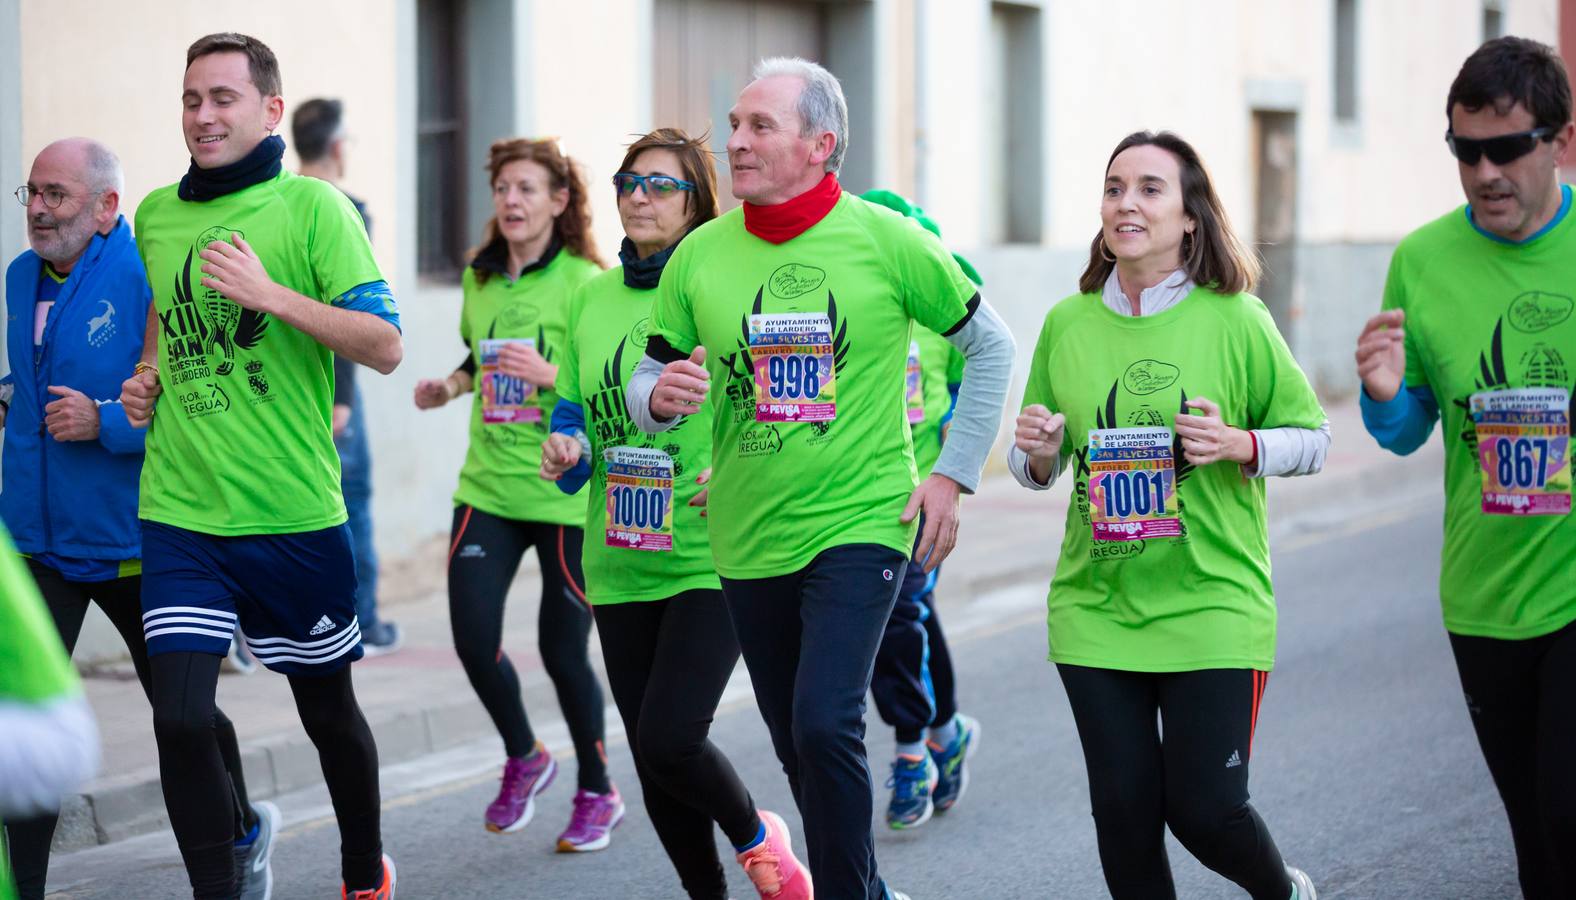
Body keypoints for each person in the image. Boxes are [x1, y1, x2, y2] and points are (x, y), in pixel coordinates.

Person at [625, 58, 1015, 900]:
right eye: (734, 124)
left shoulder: (887, 239)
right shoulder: (700, 256)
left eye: (759, 127)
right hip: (746, 530)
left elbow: (993, 346)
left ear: (821, 144)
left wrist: (952, 475)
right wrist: (659, 397)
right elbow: (645, 383)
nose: (734, 141)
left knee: (824, 719)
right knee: (794, 741)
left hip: (863, 518)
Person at [119, 32, 402, 899]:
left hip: (292, 514)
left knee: (328, 716)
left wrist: (270, 296)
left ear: (270, 109)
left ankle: (362, 870)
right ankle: (225, 879)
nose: (203, 115)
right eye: (191, 99)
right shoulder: (157, 214)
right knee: (179, 717)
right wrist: (147, 376)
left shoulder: (313, 210)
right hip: (181, 511)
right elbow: (169, 313)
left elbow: (386, 344)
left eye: (223, 98)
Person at [1009, 130, 1327, 900]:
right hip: (1098, 606)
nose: (1127, 202)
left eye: (1150, 188)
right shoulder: (1069, 323)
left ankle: (1282, 891)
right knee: (1122, 813)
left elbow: (1313, 439)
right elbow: (1031, 465)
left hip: (1213, 601)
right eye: (1115, 186)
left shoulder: (1236, 320)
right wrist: (1042, 451)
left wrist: (1239, 442)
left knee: (1207, 812)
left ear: (1190, 216)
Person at [540, 127, 812, 899]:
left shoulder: (722, 286)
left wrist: (738, 466)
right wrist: (566, 452)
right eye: (630, 181)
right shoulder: (590, 299)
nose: (638, 196)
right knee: (653, 758)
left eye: (661, 184)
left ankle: (759, 838)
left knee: (671, 735)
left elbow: (781, 409)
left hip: (709, 552)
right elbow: (576, 416)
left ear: (698, 204)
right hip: (618, 560)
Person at [2, 139, 275, 900]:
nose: (40, 211)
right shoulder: (21, 276)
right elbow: (35, 373)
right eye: (32, 194)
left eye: (57, 195)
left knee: (183, 716)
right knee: (27, 725)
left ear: (106, 206)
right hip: (38, 539)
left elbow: (192, 395)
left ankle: (242, 829)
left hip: (136, 536)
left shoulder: (146, 271)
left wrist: (107, 424)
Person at [1355, 36, 1575, 899]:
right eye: (1466, 151)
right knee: (1536, 835)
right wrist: (1379, 396)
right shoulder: (1422, 260)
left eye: (1508, 148)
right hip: (1483, 595)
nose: (1485, 172)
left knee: (1568, 807)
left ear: (1557, 141)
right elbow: (1407, 432)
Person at [411, 137, 618, 851]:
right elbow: (480, 354)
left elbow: (606, 384)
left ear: (559, 202)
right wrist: (451, 385)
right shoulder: (480, 278)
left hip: (563, 492)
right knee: (473, 642)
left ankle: (597, 789)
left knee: (563, 655)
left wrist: (549, 371)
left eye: (528, 188)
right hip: (489, 488)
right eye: (503, 188)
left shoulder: (590, 283)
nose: (512, 201)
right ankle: (526, 755)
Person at [857, 189, 980, 831]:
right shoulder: (850, 304)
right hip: (859, 495)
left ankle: (911, 752)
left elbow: (970, 386)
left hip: (922, 499)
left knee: (900, 612)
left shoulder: (939, 318)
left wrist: (952, 471)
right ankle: (946, 729)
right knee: (912, 613)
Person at [293, 97, 402, 656]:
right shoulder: (347, 209)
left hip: (272, 388)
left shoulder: (278, 206)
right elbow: (356, 319)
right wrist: (343, 399)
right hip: (330, 389)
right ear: (338, 148)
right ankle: (365, 624)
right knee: (351, 503)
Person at [0, 525, 99, 900]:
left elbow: (60, 746)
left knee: (185, 721)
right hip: (34, 539)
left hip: (123, 548)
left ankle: (240, 837)